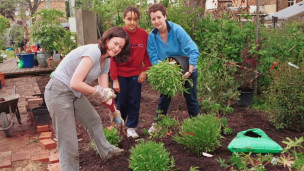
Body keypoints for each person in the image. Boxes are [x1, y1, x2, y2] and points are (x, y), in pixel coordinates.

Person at [44, 26, 130, 171]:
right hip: (58, 91)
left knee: (93, 119)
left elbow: (104, 93)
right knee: (68, 140)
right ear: (107, 39)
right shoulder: (94, 52)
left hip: (73, 93)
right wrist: (98, 92)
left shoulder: (107, 60)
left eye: (120, 47)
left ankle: (106, 151)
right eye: (115, 43)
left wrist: (115, 113)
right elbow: (75, 82)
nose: (116, 49)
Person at [146, 3, 201, 133]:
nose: (157, 21)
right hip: (169, 72)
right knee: (164, 98)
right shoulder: (152, 37)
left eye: (159, 17)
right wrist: (163, 72)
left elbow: (193, 50)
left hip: (187, 69)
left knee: (191, 98)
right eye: (153, 19)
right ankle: (159, 124)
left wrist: (189, 71)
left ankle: (197, 125)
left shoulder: (177, 30)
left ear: (165, 16)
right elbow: (153, 58)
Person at [110, 7, 151, 138]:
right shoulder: (119, 34)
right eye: (129, 19)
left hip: (135, 75)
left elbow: (147, 56)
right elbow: (113, 58)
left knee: (134, 101)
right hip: (120, 74)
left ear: (138, 20)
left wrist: (145, 71)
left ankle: (131, 127)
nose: (132, 22)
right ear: (124, 19)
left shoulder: (144, 35)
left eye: (135, 19)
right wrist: (114, 79)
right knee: (121, 102)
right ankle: (119, 126)